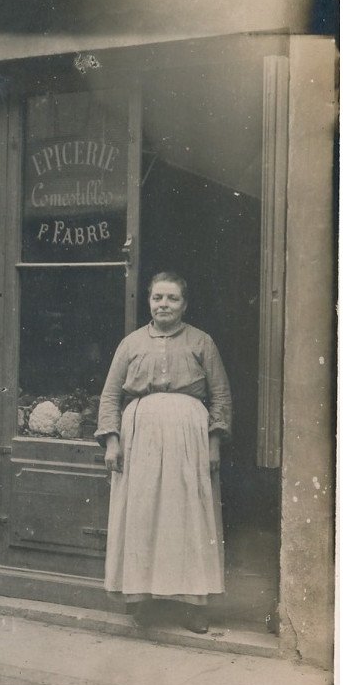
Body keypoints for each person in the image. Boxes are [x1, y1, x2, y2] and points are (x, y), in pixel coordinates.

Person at [94, 271, 232, 633]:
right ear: (149, 302)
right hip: (140, 436)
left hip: (190, 436)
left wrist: (213, 442)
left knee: (188, 514)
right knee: (143, 512)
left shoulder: (202, 342)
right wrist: (111, 439)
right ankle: (141, 599)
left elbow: (220, 395)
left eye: (172, 298)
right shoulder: (131, 344)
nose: (164, 305)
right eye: (158, 298)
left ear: (184, 304)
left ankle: (194, 604)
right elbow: (110, 395)